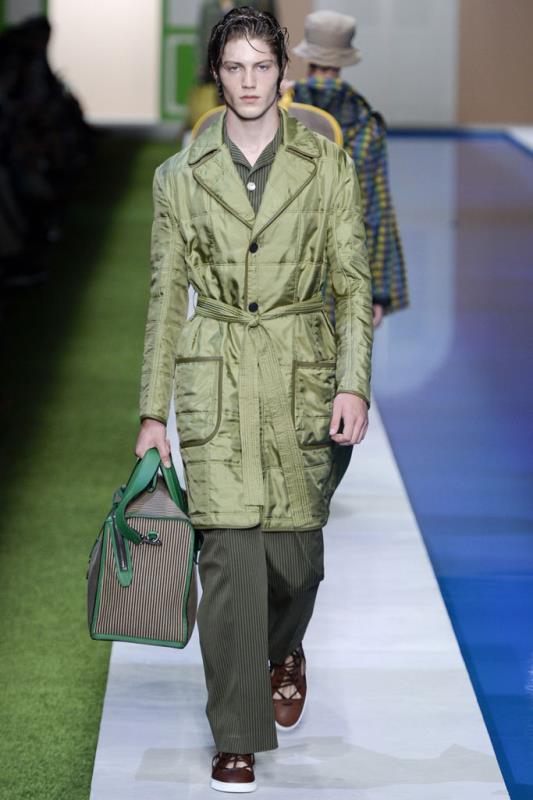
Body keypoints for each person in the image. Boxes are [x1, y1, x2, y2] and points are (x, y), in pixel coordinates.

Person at [135, 6, 373, 793]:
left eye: (260, 66)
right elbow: (166, 298)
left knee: (294, 561)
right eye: (233, 67)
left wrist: (352, 382)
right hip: (215, 372)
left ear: (282, 72)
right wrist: (151, 413)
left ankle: (283, 648)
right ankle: (236, 733)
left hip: (301, 368)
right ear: (217, 73)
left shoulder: (326, 164)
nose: (247, 81)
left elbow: (351, 282)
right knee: (230, 560)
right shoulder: (179, 176)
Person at [285, 10, 409, 328]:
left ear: (308, 54)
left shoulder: (279, 109)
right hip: (341, 278)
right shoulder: (366, 123)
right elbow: (375, 211)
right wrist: (378, 293)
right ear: (344, 60)